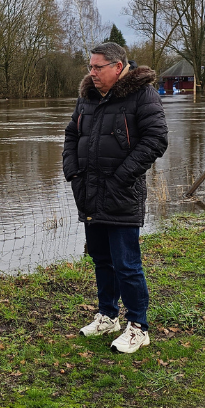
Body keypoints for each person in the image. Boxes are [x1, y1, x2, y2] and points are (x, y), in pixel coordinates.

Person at [62, 42, 168, 354]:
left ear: (118, 67)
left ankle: (138, 326)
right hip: (90, 193)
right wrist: (73, 172)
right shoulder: (87, 97)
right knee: (101, 258)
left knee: (127, 263)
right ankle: (108, 316)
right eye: (90, 67)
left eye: (98, 67)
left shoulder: (142, 95)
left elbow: (156, 140)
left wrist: (122, 177)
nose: (91, 73)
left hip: (122, 194)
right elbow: (71, 135)